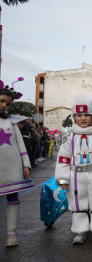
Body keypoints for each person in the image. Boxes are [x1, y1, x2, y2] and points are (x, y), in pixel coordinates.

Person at [55, 94, 92, 244]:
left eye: (87, 115)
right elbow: (63, 159)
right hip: (75, 175)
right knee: (77, 203)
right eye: (79, 115)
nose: (83, 118)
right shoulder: (69, 137)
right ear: (74, 117)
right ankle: (80, 230)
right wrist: (63, 178)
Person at [0, 81, 33, 247]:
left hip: (12, 167)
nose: (4, 105)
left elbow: (21, 145)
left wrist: (26, 164)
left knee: (13, 199)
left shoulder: (12, 123)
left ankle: (11, 234)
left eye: (7, 104)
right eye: (2, 101)